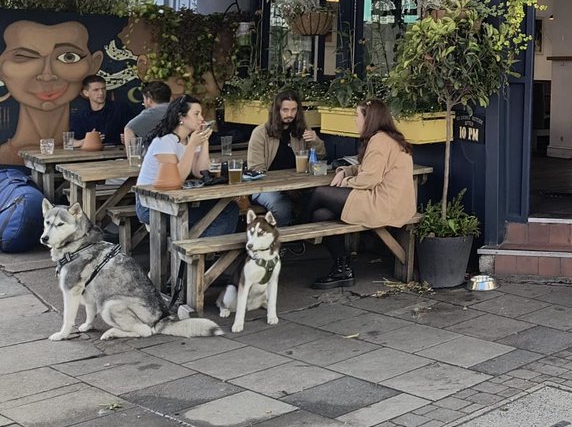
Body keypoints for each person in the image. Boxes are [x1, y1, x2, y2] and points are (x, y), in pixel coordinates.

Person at [305, 99, 416, 290]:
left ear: (369, 119)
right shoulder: (387, 138)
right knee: (320, 215)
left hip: (382, 204)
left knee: (320, 192)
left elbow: (368, 180)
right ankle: (342, 269)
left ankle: (295, 233)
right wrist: (345, 171)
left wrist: (346, 181)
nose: (355, 121)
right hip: (392, 202)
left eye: (357, 116)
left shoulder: (379, 141)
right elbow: (367, 169)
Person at [134, 94, 239, 239]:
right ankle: (195, 254)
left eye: (201, 114)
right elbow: (176, 179)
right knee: (222, 212)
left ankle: (199, 252)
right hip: (150, 204)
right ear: (181, 118)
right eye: (196, 114)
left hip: (174, 200)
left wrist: (204, 142)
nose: (202, 118)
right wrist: (192, 146)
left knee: (228, 208)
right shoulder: (164, 141)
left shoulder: (189, 139)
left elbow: (200, 172)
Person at [0, 20, 104, 165]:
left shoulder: (85, 120)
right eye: (24, 56)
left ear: (94, 65)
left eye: (69, 57)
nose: (47, 76)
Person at [245, 89, 326, 225]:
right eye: (285, 110)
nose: (290, 114)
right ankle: (282, 242)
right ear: (276, 110)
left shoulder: (301, 129)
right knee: (281, 206)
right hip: (264, 187)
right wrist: (285, 187)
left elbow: (320, 158)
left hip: (298, 185)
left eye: (294, 110)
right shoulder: (260, 133)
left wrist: (315, 140)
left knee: (319, 199)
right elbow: (256, 170)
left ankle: (300, 236)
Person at [69, 75, 132, 145]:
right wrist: (88, 140)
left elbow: (137, 133)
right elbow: (70, 142)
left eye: (103, 89)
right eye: (96, 90)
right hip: (91, 155)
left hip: (120, 154)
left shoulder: (121, 109)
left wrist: (129, 139)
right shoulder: (80, 116)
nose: (101, 93)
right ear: (86, 93)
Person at [123, 81, 172, 145]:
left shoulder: (150, 113)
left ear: (149, 99)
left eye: (144, 98)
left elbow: (129, 128)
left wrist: (133, 153)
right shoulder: (178, 109)